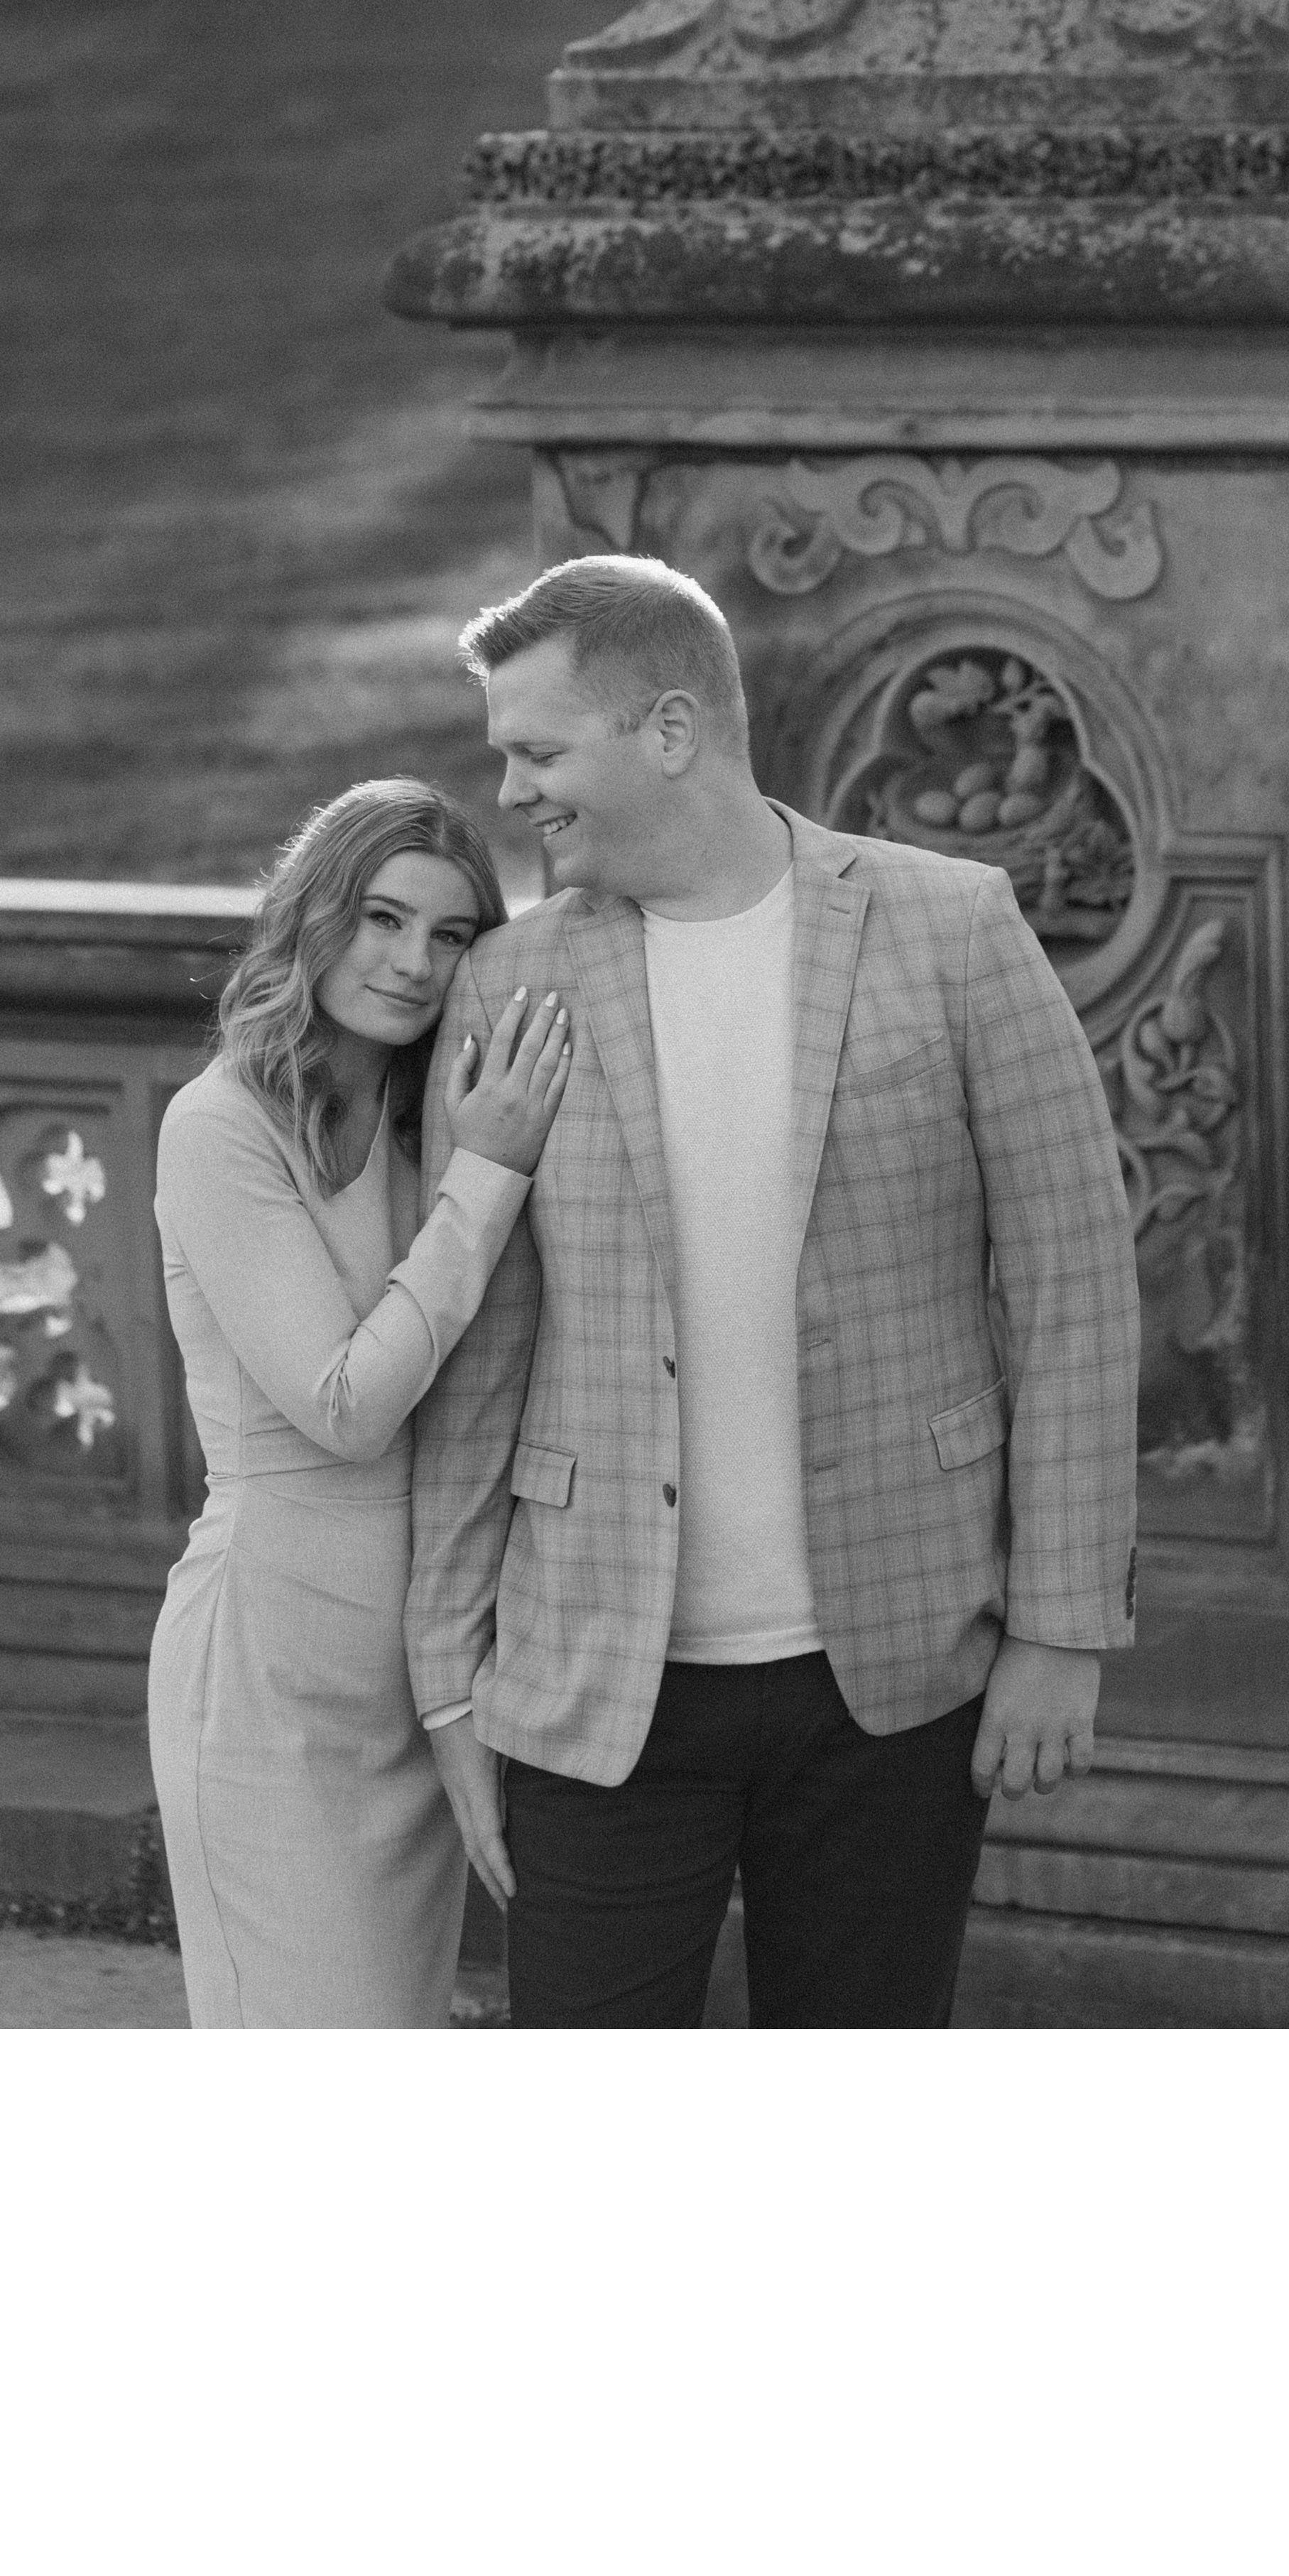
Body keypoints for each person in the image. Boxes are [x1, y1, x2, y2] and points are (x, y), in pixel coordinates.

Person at [406, 555, 1140, 2028]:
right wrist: (448, 1678)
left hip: (898, 1669)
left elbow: (1075, 1287)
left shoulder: (955, 929)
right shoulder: (509, 982)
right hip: (593, 1677)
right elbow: (482, 1348)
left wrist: (1062, 1630)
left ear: (670, 731)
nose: (513, 793)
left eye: (538, 752)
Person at [148, 778, 573, 2026]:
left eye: (450, 934)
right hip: (270, 1677)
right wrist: (489, 1176)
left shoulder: (430, 1119)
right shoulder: (219, 1126)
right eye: (384, 919)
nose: (413, 963)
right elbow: (345, 1405)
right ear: (317, 915)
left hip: (414, 1677)